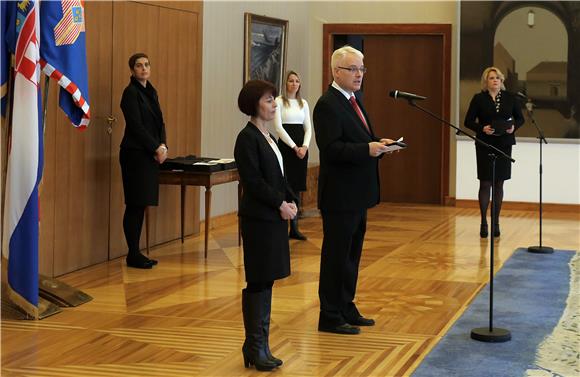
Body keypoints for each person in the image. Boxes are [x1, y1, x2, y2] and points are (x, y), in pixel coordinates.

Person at [313, 46, 395, 335]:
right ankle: (329, 314)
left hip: (357, 194)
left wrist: (377, 143)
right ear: (337, 72)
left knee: (352, 254)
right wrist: (367, 148)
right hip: (340, 195)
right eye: (353, 69)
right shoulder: (327, 104)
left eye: (362, 69)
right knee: (336, 255)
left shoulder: (353, 100)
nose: (359, 74)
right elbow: (331, 148)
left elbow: (359, 138)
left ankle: (346, 305)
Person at [234, 79, 298, 371]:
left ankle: (260, 345)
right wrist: (279, 203)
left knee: (267, 279)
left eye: (274, 99)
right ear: (253, 104)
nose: (274, 104)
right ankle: (255, 345)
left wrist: (291, 199)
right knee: (258, 279)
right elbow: (254, 182)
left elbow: (278, 177)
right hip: (259, 219)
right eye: (269, 99)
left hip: (272, 217)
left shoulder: (269, 137)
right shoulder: (246, 138)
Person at [120, 53, 167, 269]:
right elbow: (136, 126)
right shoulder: (130, 93)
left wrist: (163, 145)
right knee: (135, 204)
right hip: (135, 154)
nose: (144, 68)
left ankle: (136, 252)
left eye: (147, 64)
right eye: (139, 66)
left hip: (149, 154)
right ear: (132, 70)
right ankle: (133, 253)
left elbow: (160, 122)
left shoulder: (151, 92)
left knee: (141, 203)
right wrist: (155, 146)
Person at [464, 66, 524, 238]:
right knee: (485, 183)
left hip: (504, 144)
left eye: (498, 78)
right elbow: (468, 121)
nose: (495, 80)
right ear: (486, 81)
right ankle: (484, 222)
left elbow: (520, 118)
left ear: (502, 81)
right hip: (485, 144)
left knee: (499, 183)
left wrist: (513, 127)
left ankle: (496, 222)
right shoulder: (478, 99)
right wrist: (482, 128)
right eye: (491, 78)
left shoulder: (510, 98)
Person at [273, 70, 312, 240]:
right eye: (291, 81)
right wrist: (294, 147)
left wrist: (304, 146)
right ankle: (283, 223)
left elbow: (308, 128)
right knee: (285, 184)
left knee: (296, 185)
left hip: (301, 149)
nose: (294, 83)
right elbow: (278, 128)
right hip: (287, 147)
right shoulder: (279, 101)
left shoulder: (303, 103)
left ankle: (294, 227)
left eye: (297, 81)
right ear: (285, 84)